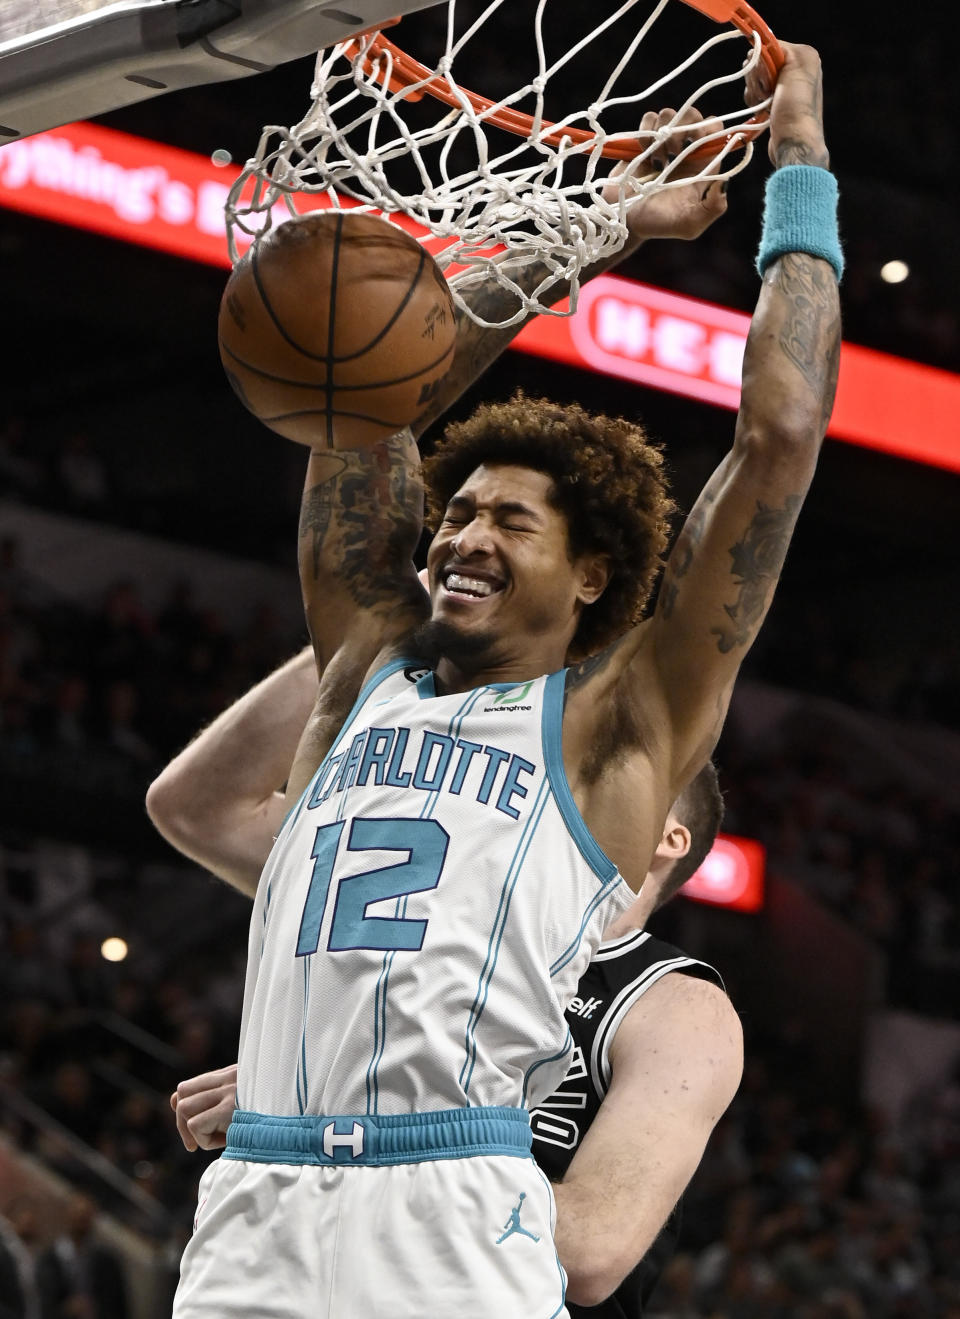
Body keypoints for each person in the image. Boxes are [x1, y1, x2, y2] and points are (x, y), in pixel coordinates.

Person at [162, 43, 840, 1318]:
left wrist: (800, 170)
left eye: (510, 523)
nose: (461, 536)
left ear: (592, 575)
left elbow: (780, 439)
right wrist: (601, 224)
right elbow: (372, 389)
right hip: (256, 1203)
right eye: (458, 510)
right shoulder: (365, 657)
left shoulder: (615, 727)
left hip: (451, 1214)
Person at [157, 710, 742, 1313]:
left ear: (671, 836)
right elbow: (194, 809)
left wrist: (351, 1134)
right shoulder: (443, 910)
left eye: (598, 771)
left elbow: (595, 1250)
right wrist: (372, 628)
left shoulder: (677, 1002)